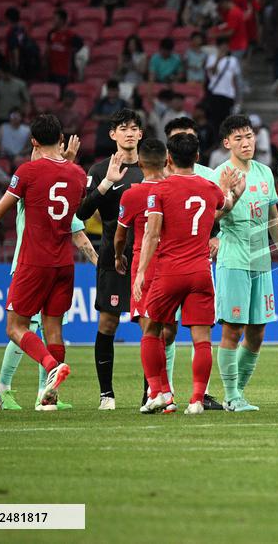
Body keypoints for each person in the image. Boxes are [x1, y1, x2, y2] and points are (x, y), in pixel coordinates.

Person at [0, 114, 86, 408]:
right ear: (61, 139)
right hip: (64, 263)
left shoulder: (27, 171)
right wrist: (69, 162)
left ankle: (50, 367)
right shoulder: (77, 174)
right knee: (54, 328)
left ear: (33, 141)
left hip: (34, 261)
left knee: (14, 327)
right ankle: (49, 398)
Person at [134, 132, 243, 415]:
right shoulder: (209, 189)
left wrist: (141, 272)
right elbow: (223, 208)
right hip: (200, 272)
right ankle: (196, 400)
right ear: (197, 157)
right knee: (202, 338)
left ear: (169, 159)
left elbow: (152, 234)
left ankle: (158, 392)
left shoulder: (160, 190)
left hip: (169, 272)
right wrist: (233, 193)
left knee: (151, 330)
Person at [0, 140, 97, 412]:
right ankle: (4, 388)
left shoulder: (45, 186)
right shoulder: (33, 187)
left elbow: (78, 234)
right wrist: (68, 161)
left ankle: (45, 393)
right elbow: (38, 166)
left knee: (43, 329)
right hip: (28, 263)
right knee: (28, 329)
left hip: (45, 266)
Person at [212, 115, 278, 411]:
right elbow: (212, 218)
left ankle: (238, 393)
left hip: (261, 260)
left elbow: (273, 217)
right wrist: (229, 196)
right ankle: (231, 395)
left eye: (249, 136)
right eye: (239, 138)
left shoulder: (264, 173)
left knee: (258, 331)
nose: (246, 143)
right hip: (233, 259)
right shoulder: (220, 174)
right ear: (227, 143)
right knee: (233, 328)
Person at [76, 109, 144, 410]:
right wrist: (105, 185)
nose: (129, 133)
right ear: (112, 135)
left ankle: (151, 393)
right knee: (108, 323)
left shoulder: (152, 169)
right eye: (123, 128)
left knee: (151, 326)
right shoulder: (100, 170)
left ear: (141, 134)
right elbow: (81, 213)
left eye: (134, 128)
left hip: (146, 258)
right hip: (112, 258)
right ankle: (106, 395)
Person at [115, 141, 172, 386]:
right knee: (166, 331)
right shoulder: (175, 188)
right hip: (174, 264)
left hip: (145, 266)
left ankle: (157, 392)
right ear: (167, 161)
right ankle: (166, 392)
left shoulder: (132, 193)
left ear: (139, 164)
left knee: (149, 332)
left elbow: (120, 236)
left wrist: (119, 256)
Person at [204, 36, 240, 132]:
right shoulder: (212, 58)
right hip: (216, 93)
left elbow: (234, 78)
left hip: (229, 93)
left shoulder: (233, 60)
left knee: (227, 119)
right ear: (218, 47)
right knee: (216, 118)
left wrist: (236, 95)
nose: (225, 48)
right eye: (222, 46)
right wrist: (218, 60)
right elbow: (212, 73)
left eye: (226, 46)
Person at [46, 9, 83, 86]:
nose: (53, 21)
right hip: (51, 70)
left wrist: (71, 52)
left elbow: (80, 44)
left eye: (55, 19)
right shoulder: (51, 33)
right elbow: (48, 48)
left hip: (63, 72)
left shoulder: (69, 34)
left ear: (62, 20)